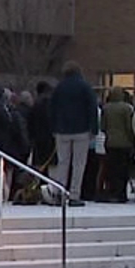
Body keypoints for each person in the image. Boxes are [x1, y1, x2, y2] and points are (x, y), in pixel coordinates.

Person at [47, 63, 98, 206]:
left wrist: (53, 128)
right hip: (81, 130)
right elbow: (92, 108)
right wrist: (93, 129)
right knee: (79, 164)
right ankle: (74, 194)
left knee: (62, 163)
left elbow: (52, 109)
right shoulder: (85, 87)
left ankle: (60, 192)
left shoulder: (59, 88)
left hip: (62, 130)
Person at [101, 87, 135, 203]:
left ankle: (111, 192)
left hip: (110, 142)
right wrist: (132, 140)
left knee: (111, 169)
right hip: (124, 143)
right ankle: (121, 193)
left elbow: (102, 126)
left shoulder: (106, 108)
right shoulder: (127, 108)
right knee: (123, 170)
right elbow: (129, 126)